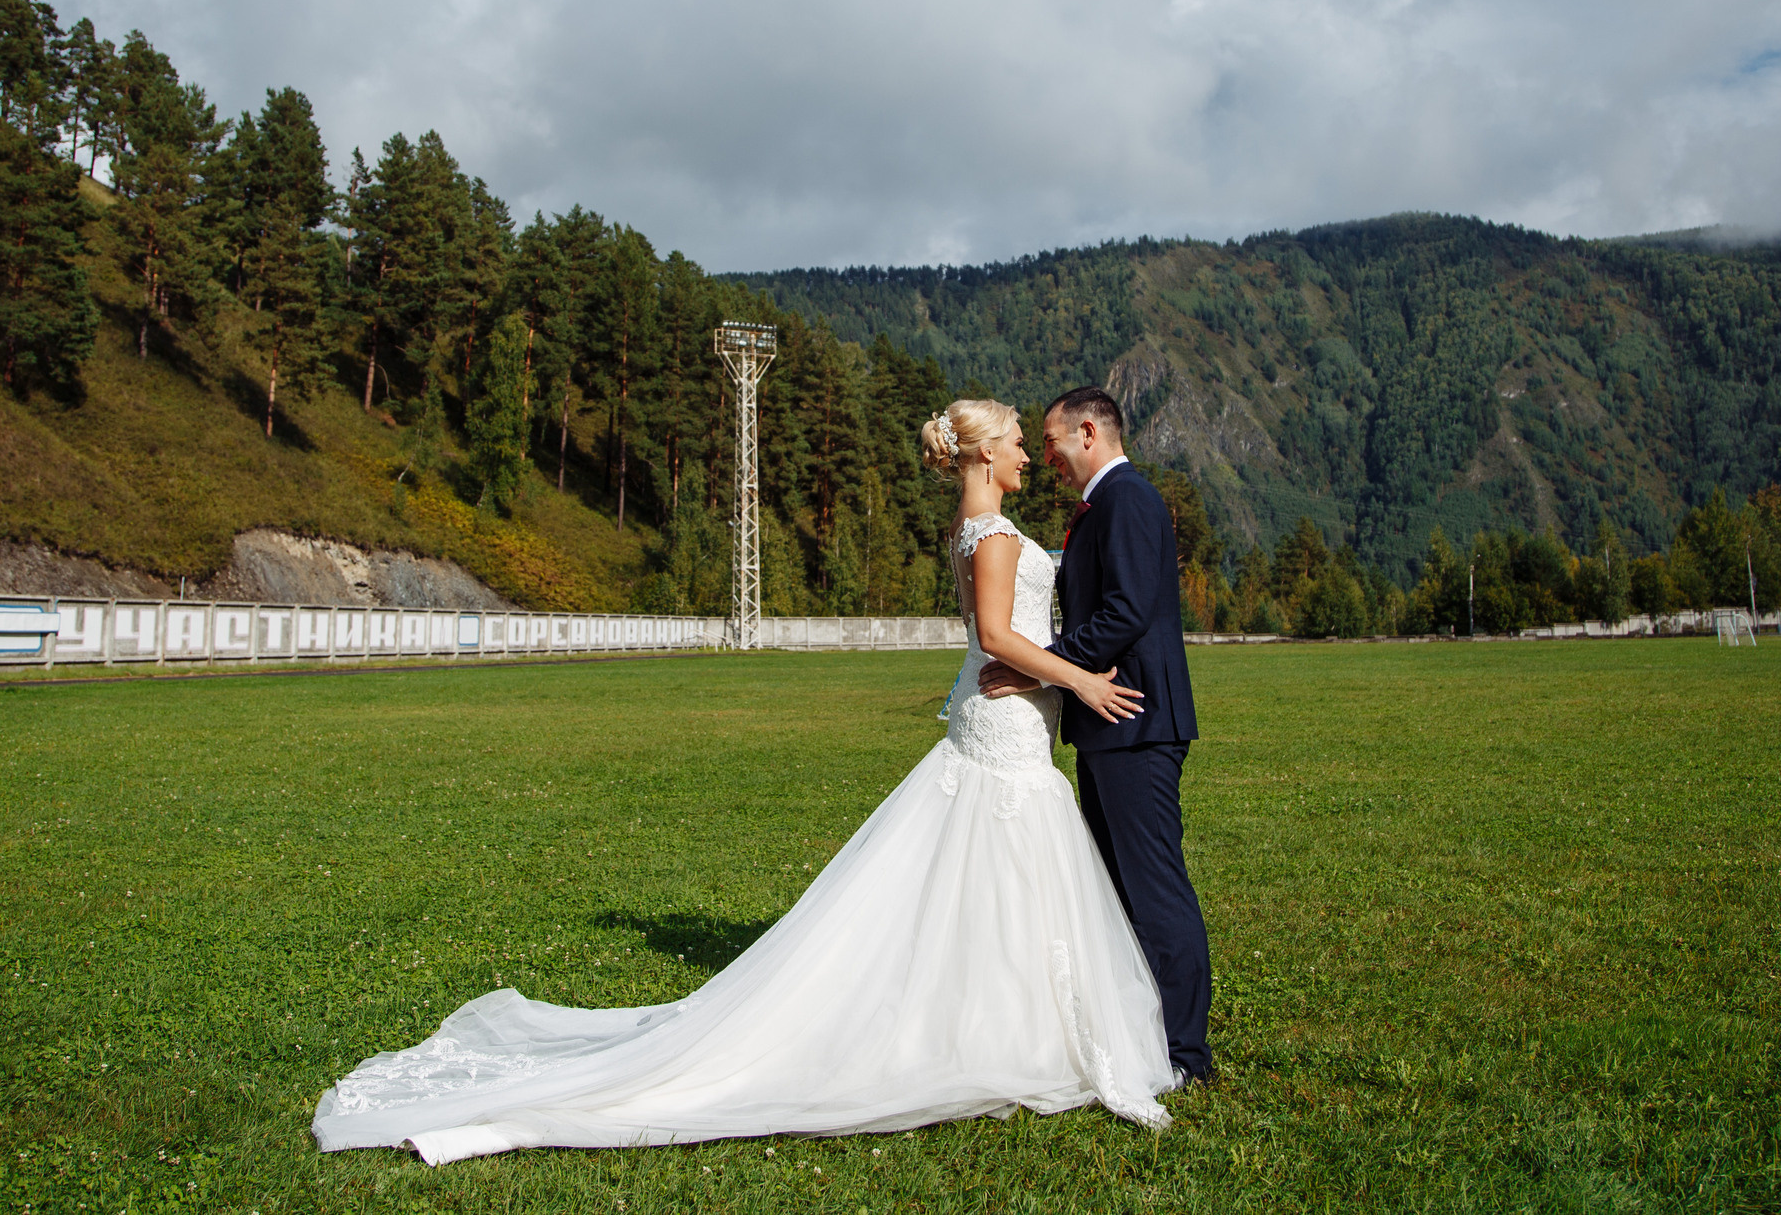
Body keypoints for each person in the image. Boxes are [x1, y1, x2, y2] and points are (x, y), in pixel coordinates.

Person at [311, 398, 1177, 1162]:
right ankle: (1002, 1032)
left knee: (991, 876)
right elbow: (995, 635)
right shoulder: (991, 533)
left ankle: (1002, 1022)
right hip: (1005, 722)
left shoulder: (979, 526)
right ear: (984, 451)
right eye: (1019, 440)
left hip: (1008, 720)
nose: (1029, 452)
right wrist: (1079, 679)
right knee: (999, 865)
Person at [978, 385, 1213, 1086]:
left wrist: (1043, 667)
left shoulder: (1128, 499)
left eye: (1050, 441)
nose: (1045, 456)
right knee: (1118, 889)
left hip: (1134, 719)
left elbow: (1126, 612)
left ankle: (1185, 1055)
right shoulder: (1102, 504)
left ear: (1087, 432)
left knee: (1154, 888)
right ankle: (1139, 1035)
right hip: (1108, 725)